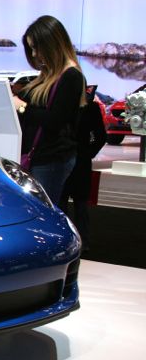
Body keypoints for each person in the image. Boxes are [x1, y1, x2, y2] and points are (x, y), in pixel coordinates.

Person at [14, 15, 84, 204]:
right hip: (39, 158)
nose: (34, 54)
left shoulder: (71, 76)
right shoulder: (48, 76)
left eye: (36, 47)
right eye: (31, 48)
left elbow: (55, 120)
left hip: (52, 160)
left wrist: (22, 107)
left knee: (42, 211)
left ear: (50, 44)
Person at [59, 87, 107, 252]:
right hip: (72, 158)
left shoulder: (88, 108)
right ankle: (74, 240)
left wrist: (88, 153)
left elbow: (100, 136)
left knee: (75, 203)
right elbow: (100, 136)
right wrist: (88, 152)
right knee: (71, 203)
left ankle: (74, 240)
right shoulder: (87, 107)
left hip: (73, 159)